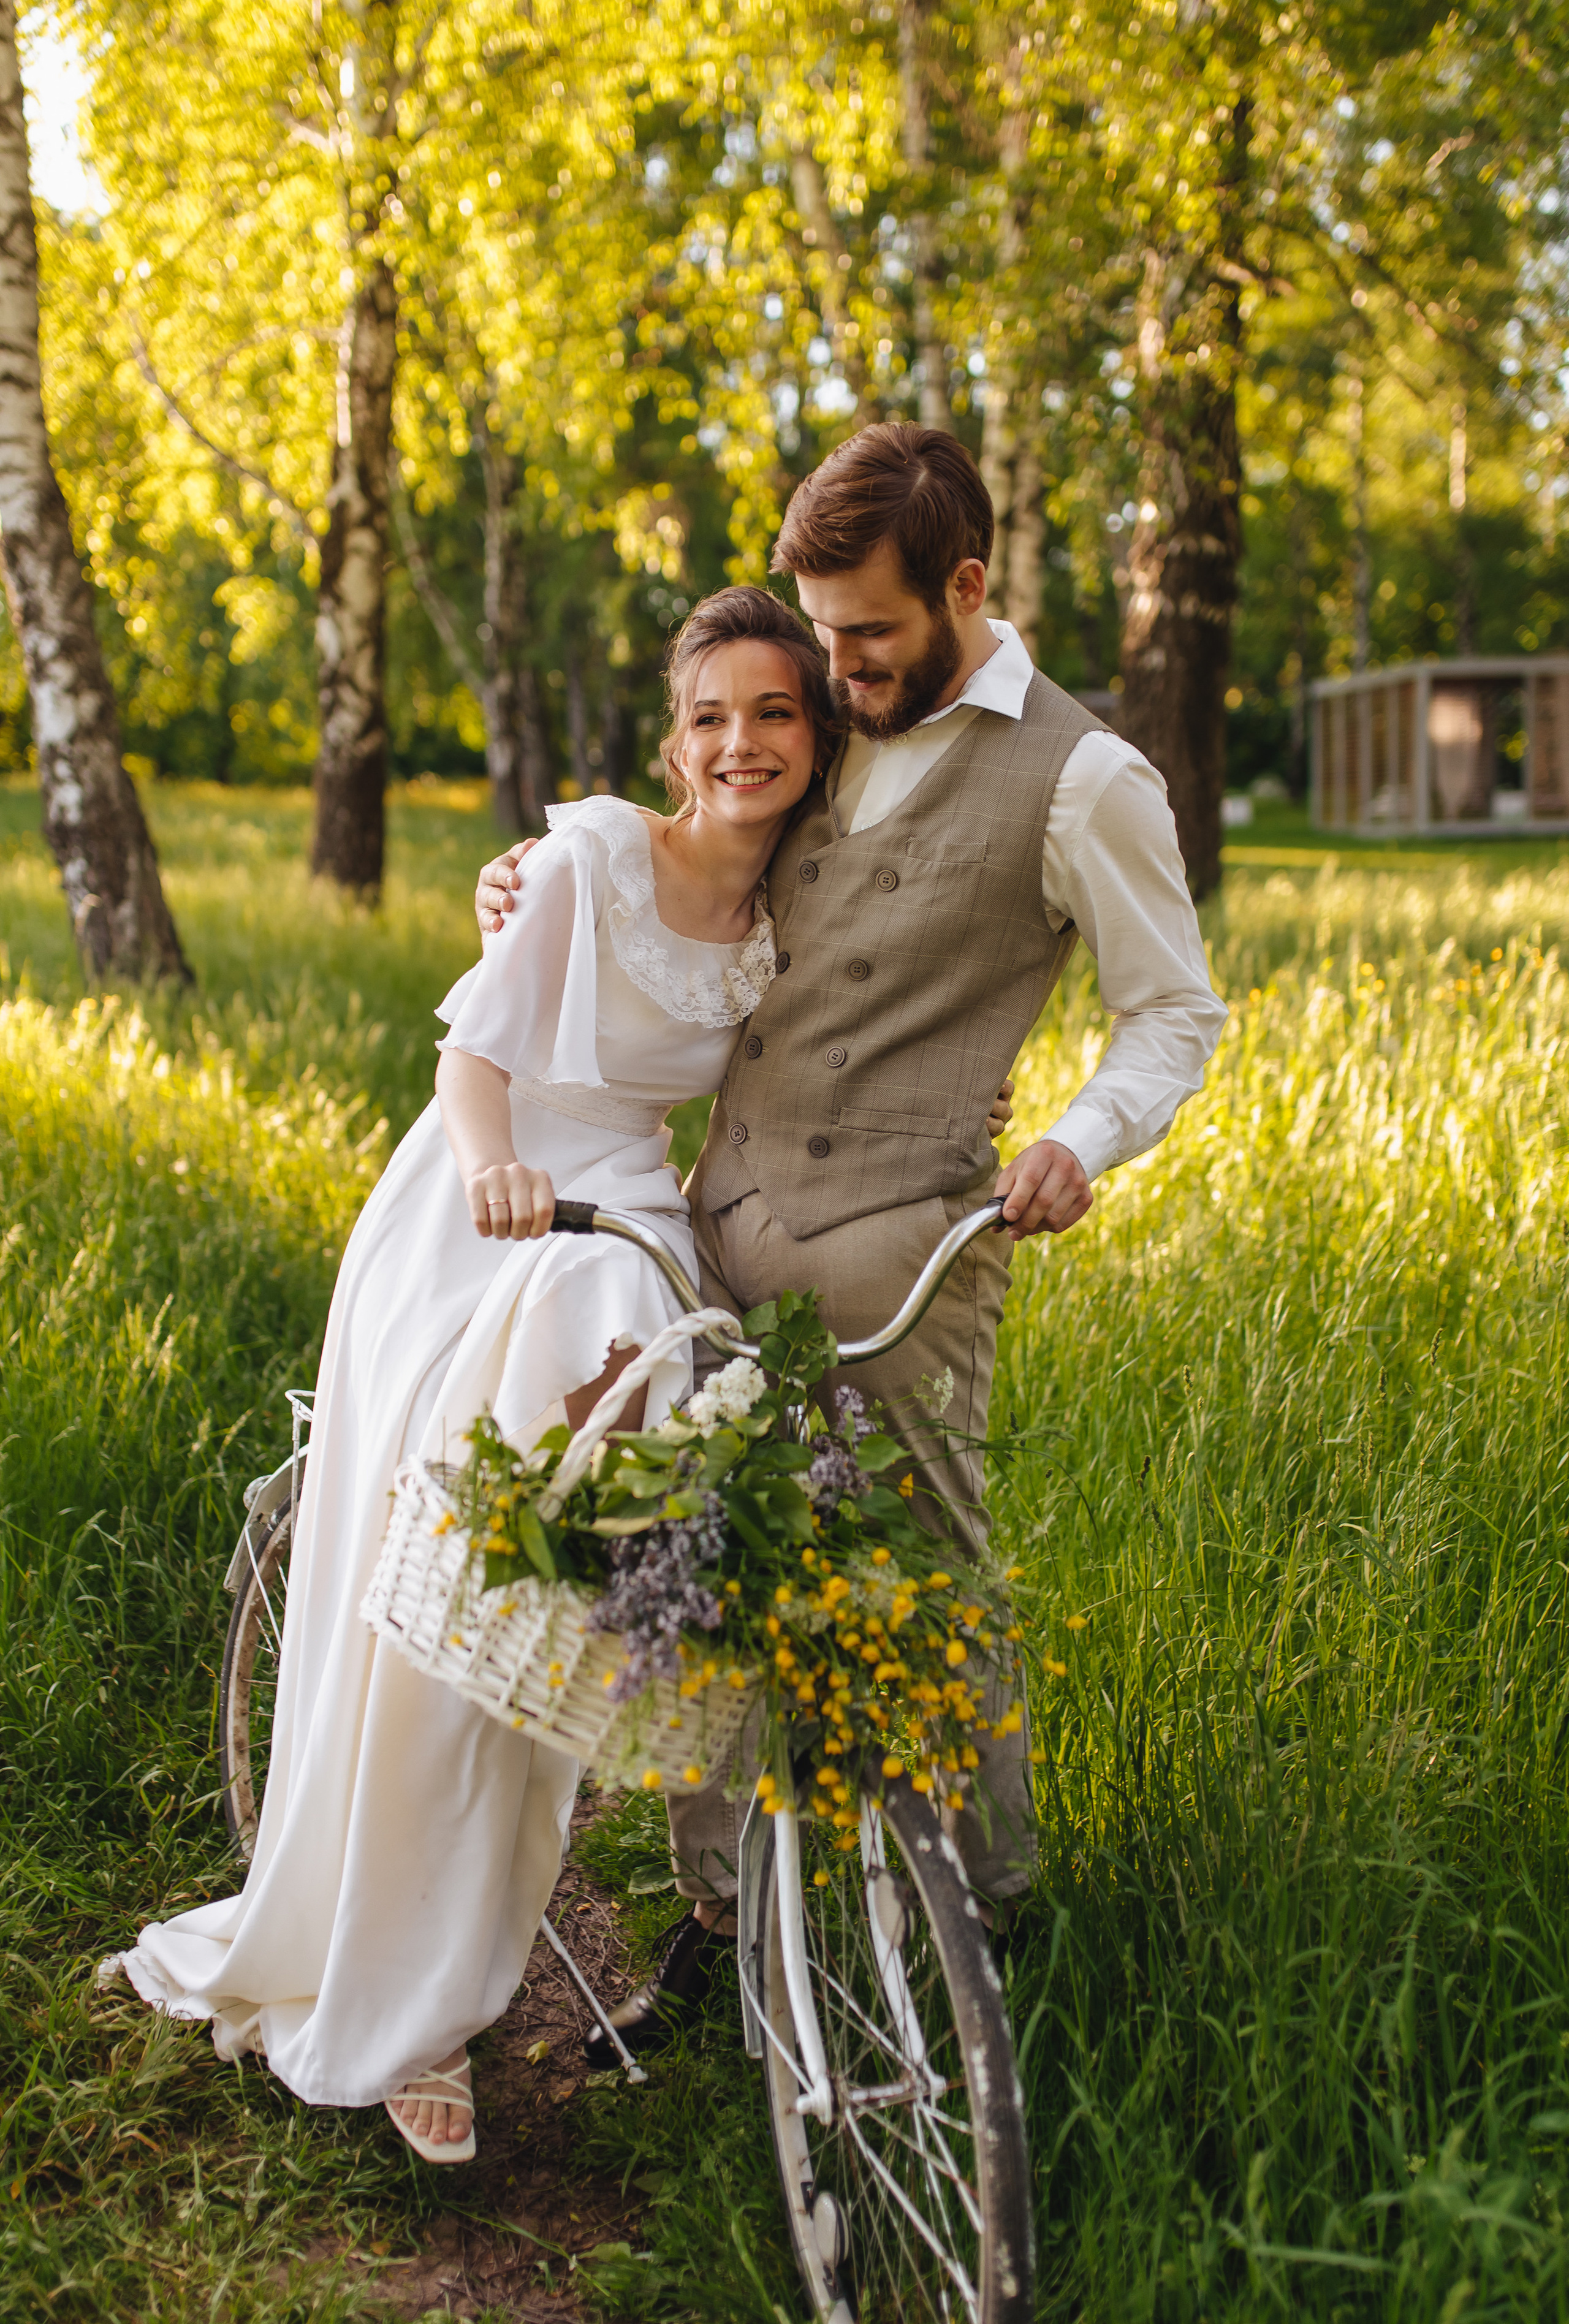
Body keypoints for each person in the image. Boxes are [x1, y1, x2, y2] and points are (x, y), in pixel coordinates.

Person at [474, 422, 1228, 2060]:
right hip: (713, 1222)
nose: (839, 666)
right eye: (822, 633)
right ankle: (724, 1917)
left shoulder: (1084, 779)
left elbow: (1175, 1012)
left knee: (924, 1591)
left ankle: (983, 1945)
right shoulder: (825, 720)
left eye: (869, 632)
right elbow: (694, 829)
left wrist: (1081, 1138)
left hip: (905, 1257)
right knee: (700, 1569)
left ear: (966, 585)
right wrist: (538, 874)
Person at [102, 586, 839, 2163]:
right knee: (465, 1556)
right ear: (673, 742)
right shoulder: (584, 861)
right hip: (483, 1201)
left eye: (774, 712)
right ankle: (401, 1998)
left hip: (625, 1201)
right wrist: (497, 1164)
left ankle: (602, 1640)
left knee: (616, 1472)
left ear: (814, 733)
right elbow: (470, 1058)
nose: (741, 744)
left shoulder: (795, 904)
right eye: (710, 717)